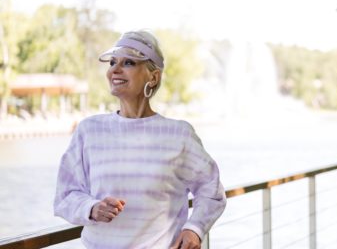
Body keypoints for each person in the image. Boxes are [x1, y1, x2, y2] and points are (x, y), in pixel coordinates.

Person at [53, 30, 226, 249]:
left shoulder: (178, 135)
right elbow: (65, 196)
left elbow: (212, 191)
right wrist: (93, 208)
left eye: (128, 62)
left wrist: (194, 230)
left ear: (153, 77)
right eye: (112, 62)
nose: (115, 69)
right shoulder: (89, 131)